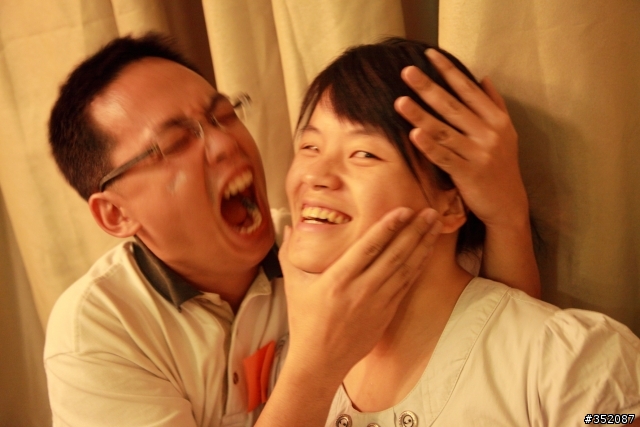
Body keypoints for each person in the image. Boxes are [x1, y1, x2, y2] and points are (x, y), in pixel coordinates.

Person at [44, 33, 539, 426]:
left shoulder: (327, 237)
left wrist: (506, 213)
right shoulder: (99, 330)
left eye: (224, 115)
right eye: (175, 144)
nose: (225, 143)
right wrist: (317, 363)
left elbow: (495, 337)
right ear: (116, 215)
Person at [271, 37, 640, 426]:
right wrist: (308, 370)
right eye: (309, 147)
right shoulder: (295, 362)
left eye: (364, 153)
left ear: (450, 203)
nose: (315, 175)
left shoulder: (572, 364)